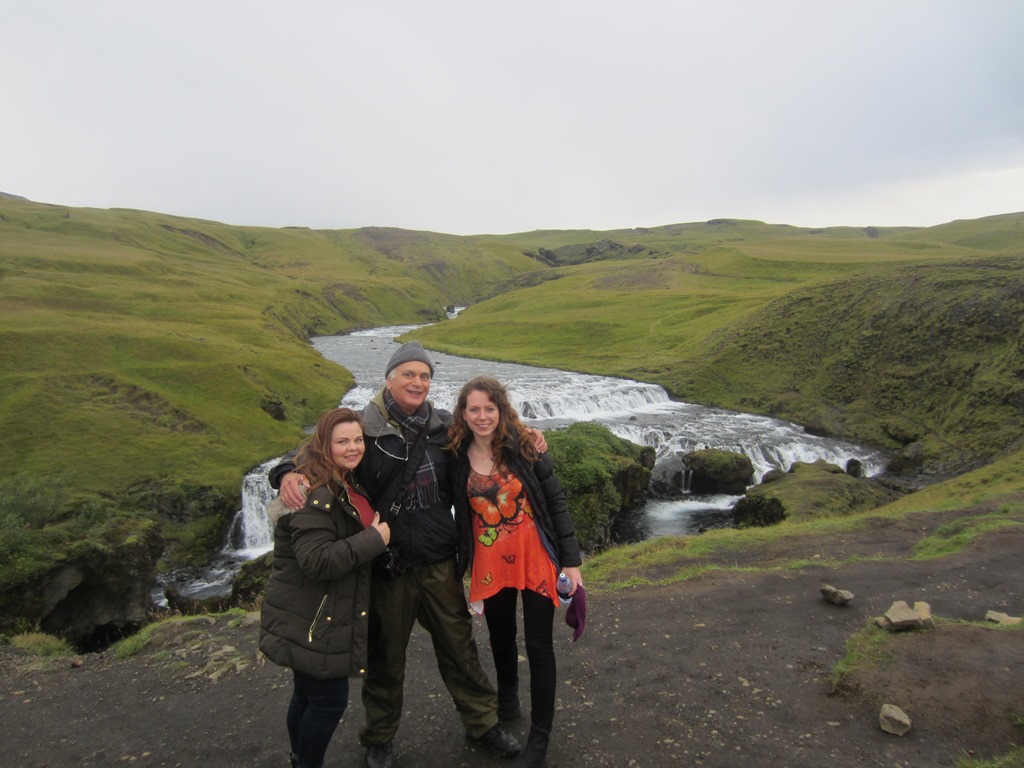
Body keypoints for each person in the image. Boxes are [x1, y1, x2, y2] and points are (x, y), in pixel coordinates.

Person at [270, 341, 541, 768]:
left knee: (459, 648)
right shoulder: (363, 426)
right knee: (385, 656)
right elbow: (316, 449)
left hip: (437, 558)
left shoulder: (445, 426)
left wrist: (531, 435)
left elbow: (494, 435)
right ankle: (379, 737)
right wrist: (287, 471)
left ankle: (483, 722)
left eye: (425, 375)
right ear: (390, 378)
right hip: (386, 565)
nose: (417, 382)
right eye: (409, 374)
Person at [448, 376, 583, 768]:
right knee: (500, 635)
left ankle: (539, 738)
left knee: (539, 646)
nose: (482, 416)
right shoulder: (455, 454)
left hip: (535, 557)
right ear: (463, 413)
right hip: (490, 564)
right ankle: (507, 700)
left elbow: (555, 503)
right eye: (474, 409)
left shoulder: (525, 446)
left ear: (502, 410)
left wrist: (571, 562)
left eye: (490, 408)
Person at [259, 407, 391, 768]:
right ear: (323, 445)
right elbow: (316, 561)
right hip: (316, 616)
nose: (353, 448)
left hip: (315, 612)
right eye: (342, 441)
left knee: (306, 694)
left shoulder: (341, 476)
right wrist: (374, 540)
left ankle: (298, 756)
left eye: (357, 440)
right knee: (328, 703)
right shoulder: (312, 491)